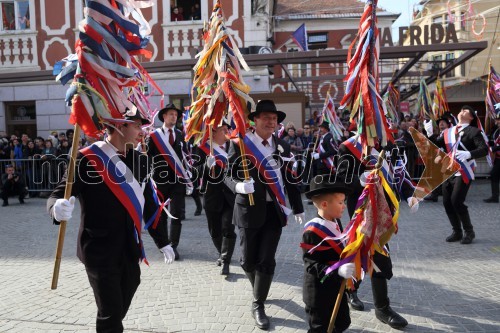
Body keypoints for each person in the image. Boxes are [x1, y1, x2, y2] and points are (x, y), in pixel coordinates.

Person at [47, 110, 175, 332]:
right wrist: (56, 209)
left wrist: (162, 241)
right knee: (111, 314)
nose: (142, 132)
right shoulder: (86, 158)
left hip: (129, 247)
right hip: (99, 249)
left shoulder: (140, 160)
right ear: (119, 126)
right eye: (136, 126)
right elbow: (57, 194)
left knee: (122, 297)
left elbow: (149, 205)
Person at [225, 99, 305, 330]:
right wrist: (238, 186)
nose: (272, 122)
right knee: (247, 260)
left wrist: (298, 207)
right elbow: (227, 175)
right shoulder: (240, 143)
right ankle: (259, 286)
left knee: (266, 260)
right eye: (267, 118)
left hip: (274, 211)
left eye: (275, 119)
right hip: (248, 209)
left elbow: (290, 178)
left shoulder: (283, 146)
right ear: (255, 120)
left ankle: (258, 303)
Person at [336, 135, 417, 329]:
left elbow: (399, 173)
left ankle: (351, 290)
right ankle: (382, 308)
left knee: (365, 252)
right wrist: (361, 180)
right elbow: (341, 181)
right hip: (363, 210)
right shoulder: (349, 148)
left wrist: (410, 195)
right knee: (378, 254)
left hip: (386, 209)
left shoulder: (390, 144)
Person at [425, 105, 489, 244]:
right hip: (448, 170)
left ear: (471, 117)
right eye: (461, 110)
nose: (462, 111)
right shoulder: (449, 131)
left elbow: (484, 150)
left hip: (463, 171)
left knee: (456, 201)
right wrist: (429, 133)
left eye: (465, 111)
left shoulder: (474, 131)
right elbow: (436, 145)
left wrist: (469, 154)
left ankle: (469, 231)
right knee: (447, 202)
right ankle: (457, 231)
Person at [301, 175, 355, 333]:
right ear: (325, 204)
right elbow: (310, 264)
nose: (344, 206)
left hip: (335, 286)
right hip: (318, 293)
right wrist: (336, 271)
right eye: (340, 202)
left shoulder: (335, 221)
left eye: (344, 201)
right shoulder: (312, 231)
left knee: (343, 322)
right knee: (320, 328)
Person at [146, 103, 190, 260]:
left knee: (177, 213)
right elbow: (148, 156)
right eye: (171, 114)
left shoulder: (179, 135)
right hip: (160, 180)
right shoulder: (154, 136)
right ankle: (165, 243)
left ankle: (174, 245)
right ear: (164, 116)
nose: (174, 117)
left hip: (177, 181)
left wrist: (188, 178)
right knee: (162, 214)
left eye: (176, 115)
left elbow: (184, 157)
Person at [194, 121, 236, 275]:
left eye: (227, 129)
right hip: (212, 195)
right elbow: (195, 172)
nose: (227, 131)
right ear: (213, 132)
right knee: (215, 230)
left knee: (228, 227)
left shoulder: (234, 146)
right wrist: (206, 165)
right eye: (223, 129)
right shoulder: (203, 149)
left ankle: (225, 261)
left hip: (231, 196)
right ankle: (221, 252)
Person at [484, 111, 500, 203]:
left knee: (494, 175)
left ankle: (495, 196)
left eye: (499, 120)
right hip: (498, 158)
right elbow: (494, 142)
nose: (497, 121)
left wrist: (495, 147)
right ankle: (495, 196)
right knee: (494, 175)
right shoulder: (497, 130)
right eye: (497, 119)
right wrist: (488, 143)